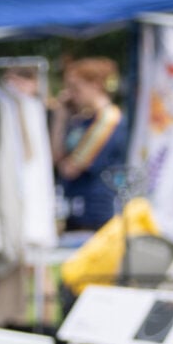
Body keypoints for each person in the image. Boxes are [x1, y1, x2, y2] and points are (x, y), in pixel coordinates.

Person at [54, 55, 128, 231]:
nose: (69, 94)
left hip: (97, 212)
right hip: (75, 206)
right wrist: (60, 116)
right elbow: (57, 156)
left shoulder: (108, 120)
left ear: (95, 85)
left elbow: (70, 168)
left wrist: (64, 163)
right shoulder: (83, 120)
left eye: (75, 87)